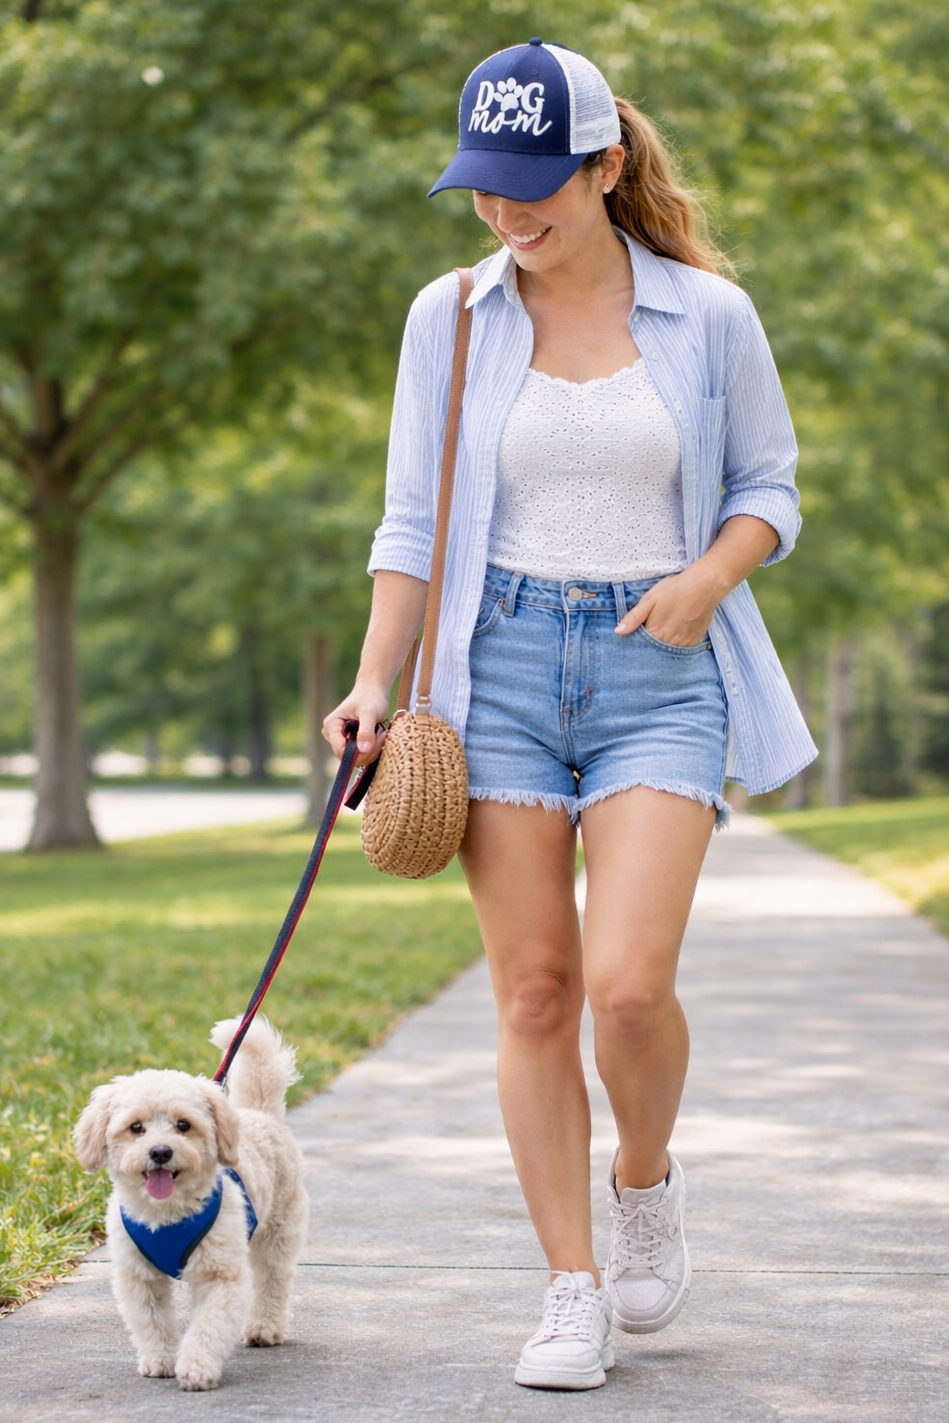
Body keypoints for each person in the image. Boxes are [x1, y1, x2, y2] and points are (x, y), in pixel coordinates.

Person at [324, 38, 817, 1392]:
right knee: (536, 989)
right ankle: (569, 1285)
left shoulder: (709, 318)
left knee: (627, 984)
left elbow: (770, 490)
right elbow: (413, 521)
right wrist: (376, 678)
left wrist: (704, 579)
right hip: (502, 670)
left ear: (606, 163)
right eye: (485, 185)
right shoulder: (455, 318)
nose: (507, 211)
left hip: (662, 666)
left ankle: (644, 1179)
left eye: (535, 182)